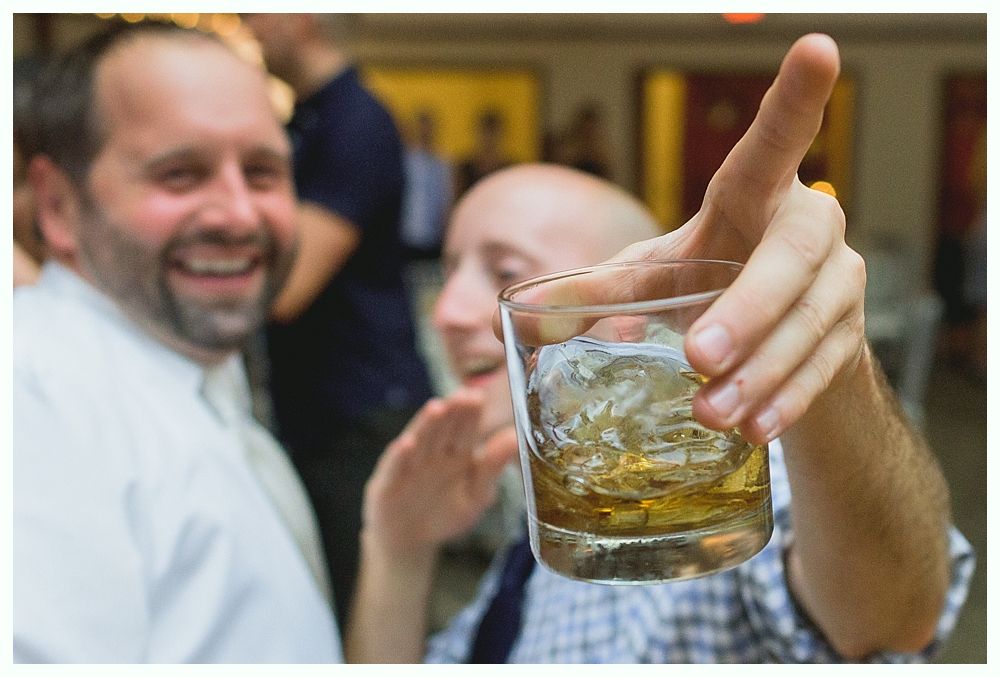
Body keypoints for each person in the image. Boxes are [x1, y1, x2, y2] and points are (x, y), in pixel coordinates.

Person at [346, 35, 974, 663]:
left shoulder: (718, 466)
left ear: (628, 312)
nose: (451, 312)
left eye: (506, 271)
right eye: (451, 268)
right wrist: (397, 550)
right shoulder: (538, 518)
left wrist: (832, 386)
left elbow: (891, 619)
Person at [14, 22, 341, 662]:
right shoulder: (30, 399)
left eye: (263, 172)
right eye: (181, 174)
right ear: (57, 206)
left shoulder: (186, 372)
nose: (239, 215)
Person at [241, 13, 434, 626]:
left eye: (256, 13)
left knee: (364, 604)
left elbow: (289, 290)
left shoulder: (356, 120)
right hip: (323, 401)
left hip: (361, 404)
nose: (246, 26)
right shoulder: (306, 118)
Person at [400, 109, 454, 262]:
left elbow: (446, 201)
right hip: (406, 237)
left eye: (428, 128)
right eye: (421, 128)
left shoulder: (442, 164)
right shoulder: (405, 162)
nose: (425, 132)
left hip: (432, 239)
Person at [455, 109, 513, 197]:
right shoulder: (465, 168)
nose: (489, 139)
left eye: (493, 133)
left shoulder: (510, 168)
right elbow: (459, 198)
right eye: (485, 133)